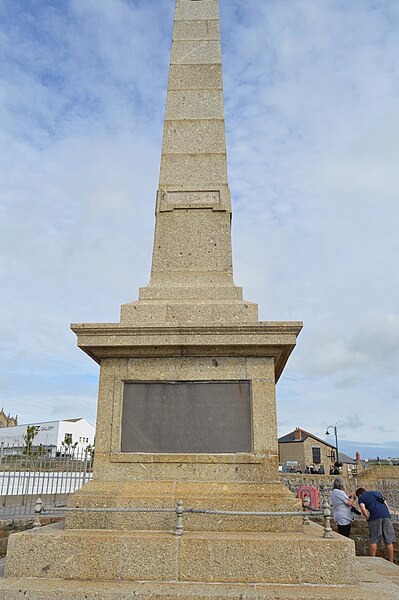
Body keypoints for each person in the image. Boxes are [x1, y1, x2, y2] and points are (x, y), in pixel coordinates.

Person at [356, 487, 396, 563]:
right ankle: (391, 561)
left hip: (375, 517)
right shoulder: (378, 493)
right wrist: (387, 514)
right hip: (386, 515)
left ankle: (372, 560)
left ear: (359, 495)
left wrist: (367, 517)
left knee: (374, 539)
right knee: (389, 540)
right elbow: (386, 504)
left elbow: (363, 509)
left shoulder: (362, 498)